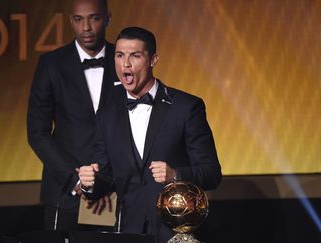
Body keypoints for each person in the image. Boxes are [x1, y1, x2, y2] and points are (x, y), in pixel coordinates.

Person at [78, 27, 222, 242]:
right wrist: (89, 183)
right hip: (131, 232)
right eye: (119, 55)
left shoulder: (186, 107)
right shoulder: (107, 114)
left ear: (153, 60)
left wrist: (176, 175)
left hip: (178, 233)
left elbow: (211, 174)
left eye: (135, 55)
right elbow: (106, 178)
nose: (125, 64)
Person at [27, 0, 118, 231]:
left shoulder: (124, 59)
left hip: (117, 189)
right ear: (70, 21)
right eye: (78, 19)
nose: (86, 27)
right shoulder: (50, 64)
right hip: (67, 189)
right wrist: (76, 180)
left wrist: (106, 181)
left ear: (107, 18)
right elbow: (37, 132)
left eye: (94, 18)